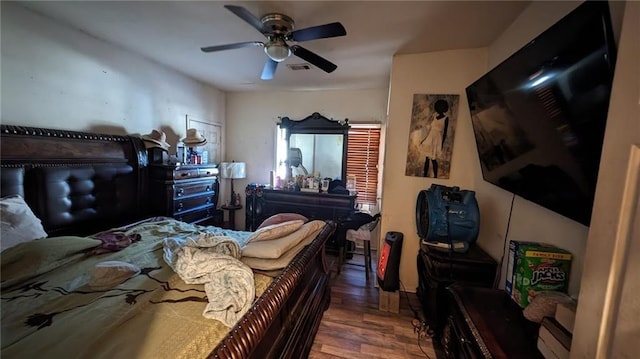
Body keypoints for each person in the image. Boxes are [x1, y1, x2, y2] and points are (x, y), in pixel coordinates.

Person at [421, 99, 449, 178]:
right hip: (430, 137)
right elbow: (429, 128)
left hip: (437, 139)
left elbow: (445, 132)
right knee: (427, 157)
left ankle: (435, 176)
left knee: (433, 159)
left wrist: (442, 144)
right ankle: (425, 175)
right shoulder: (434, 116)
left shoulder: (446, 118)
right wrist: (425, 138)